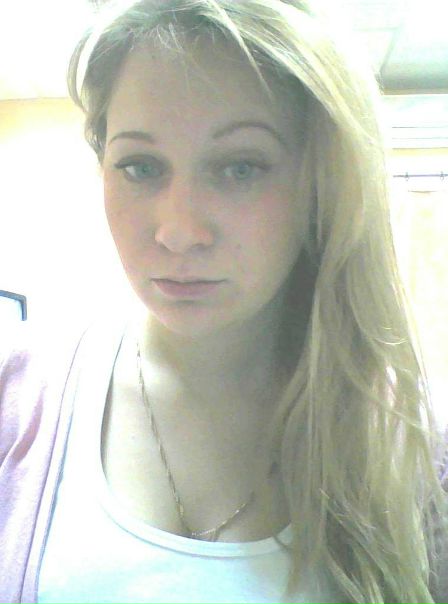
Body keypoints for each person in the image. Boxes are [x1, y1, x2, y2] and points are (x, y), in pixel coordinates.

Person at [1, 0, 447, 602]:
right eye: (140, 167)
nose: (179, 232)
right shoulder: (18, 393)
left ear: (319, 185)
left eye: (240, 168)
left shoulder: (410, 443)